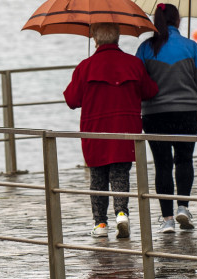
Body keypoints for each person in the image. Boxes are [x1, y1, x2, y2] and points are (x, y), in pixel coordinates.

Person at [64, 22, 159, 239]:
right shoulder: (133, 63)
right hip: (125, 129)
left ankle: (100, 225)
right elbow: (150, 90)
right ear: (118, 39)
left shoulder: (85, 66)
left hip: (95, 130)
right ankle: (122, 213)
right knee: (120, 173)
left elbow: (71, 100)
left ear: (95, 40)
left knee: (97, 177)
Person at [135, 3, 197, 234]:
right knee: (184, 159)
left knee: (162, 164)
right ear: (178, 21)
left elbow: (139, 83)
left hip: (154, 114)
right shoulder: (190, 46)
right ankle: (183, 207)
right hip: (187, 113)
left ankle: (167, 219)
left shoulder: (145, 48)